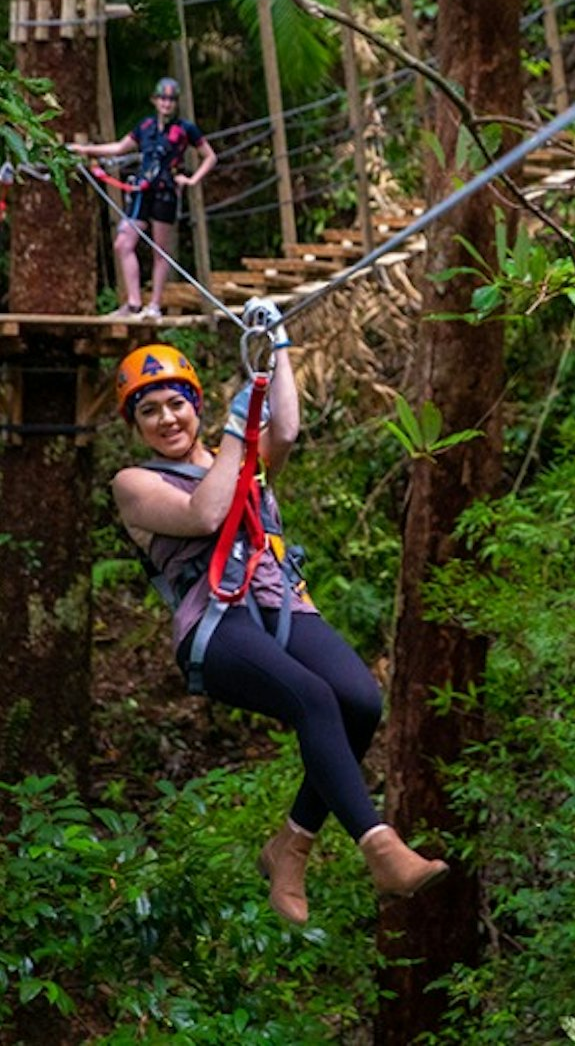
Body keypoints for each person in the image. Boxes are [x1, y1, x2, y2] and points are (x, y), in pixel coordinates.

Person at [111, 309, 447, 924]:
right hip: (215, 625)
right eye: (149, 410)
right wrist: (240, 427)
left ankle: (290, 848)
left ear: (195, 404)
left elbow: (285, 432)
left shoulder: (241, 453)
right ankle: (380, 849)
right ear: (136, 426)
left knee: (360, 704)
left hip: (281, 602)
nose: (167, 419)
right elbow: (207, 515)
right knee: (313, 701)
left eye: (176, 403)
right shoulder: (134, 483)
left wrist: (279, 348)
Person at [69, 76, 217, 320]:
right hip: (142, 191)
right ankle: (134, 302)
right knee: (123, 243)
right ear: (155, 101)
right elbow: (119, 148)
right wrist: (86, 150)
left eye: (171, 100)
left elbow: (210, 156)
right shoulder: (146, 126)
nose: (166, 104)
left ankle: (154, 306)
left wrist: (192, 180)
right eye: (162, 99)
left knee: (161, 251)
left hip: (165, 192)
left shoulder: (185, 129)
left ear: (175, 103)